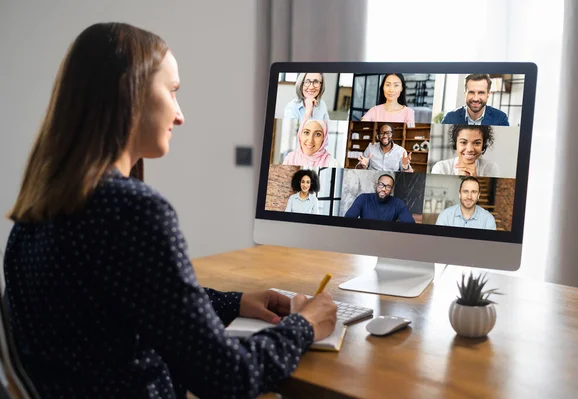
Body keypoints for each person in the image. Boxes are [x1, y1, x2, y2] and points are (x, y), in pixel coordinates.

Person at [2, 22, 337, 399]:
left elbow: (138, 297)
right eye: (173, 92)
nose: (180, 115)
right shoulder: (131, 210)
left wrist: (236, 302)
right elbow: (228, 377)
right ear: (130, 95)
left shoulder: (35, 216)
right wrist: (305, 326)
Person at [431, 125, 500, 177]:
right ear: (456, 144)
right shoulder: (440, 168)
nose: (470, 149)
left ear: (483, 145)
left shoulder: (491, 168)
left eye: (477, 143)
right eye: (463, 142)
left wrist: (475, 179)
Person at [441, 74, 509, 126]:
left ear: (488, 94)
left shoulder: (500, 119)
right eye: (471, 92)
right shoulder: (450, 118)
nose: (475, 98)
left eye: (481, 93)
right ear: (465, 94)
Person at [344, 174, 415, 222]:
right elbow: (348, 221)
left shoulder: (398, 204)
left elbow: (410, 226)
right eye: (381, 185)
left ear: (392, 190)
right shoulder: (363, 199)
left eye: (388, 187)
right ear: (376, 185)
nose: (383, 189)